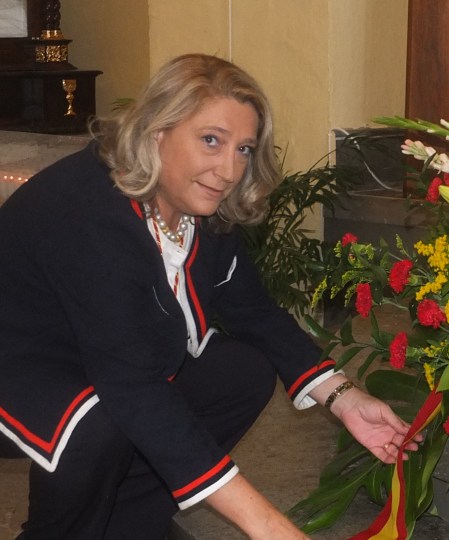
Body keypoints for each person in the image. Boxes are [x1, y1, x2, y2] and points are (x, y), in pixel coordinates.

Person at [0, 53, 416, 539]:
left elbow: (254, 312)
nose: (228, 169)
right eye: (210, 141)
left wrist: (345, 398)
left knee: (240, 373)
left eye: (243, 149)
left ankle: (125, 526)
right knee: (98, 420)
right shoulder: (91, 216)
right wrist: (268, 526)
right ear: (158, 131)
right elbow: (133, 386)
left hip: (101, 358)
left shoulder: (198, 201)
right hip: (20, 362)